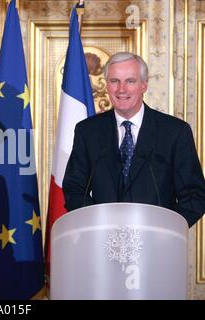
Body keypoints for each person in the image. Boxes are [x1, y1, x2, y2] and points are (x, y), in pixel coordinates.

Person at [63, 52, 205, 227]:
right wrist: (101, 224)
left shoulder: (175, 132)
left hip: (156, 243)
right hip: (101, 241)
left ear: (144, 85)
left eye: (130, 81)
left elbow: (195, 196)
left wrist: (164, 228)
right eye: (114, 81)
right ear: (106, 85)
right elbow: (74, 190)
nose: (121, 89)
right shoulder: (87, 131)